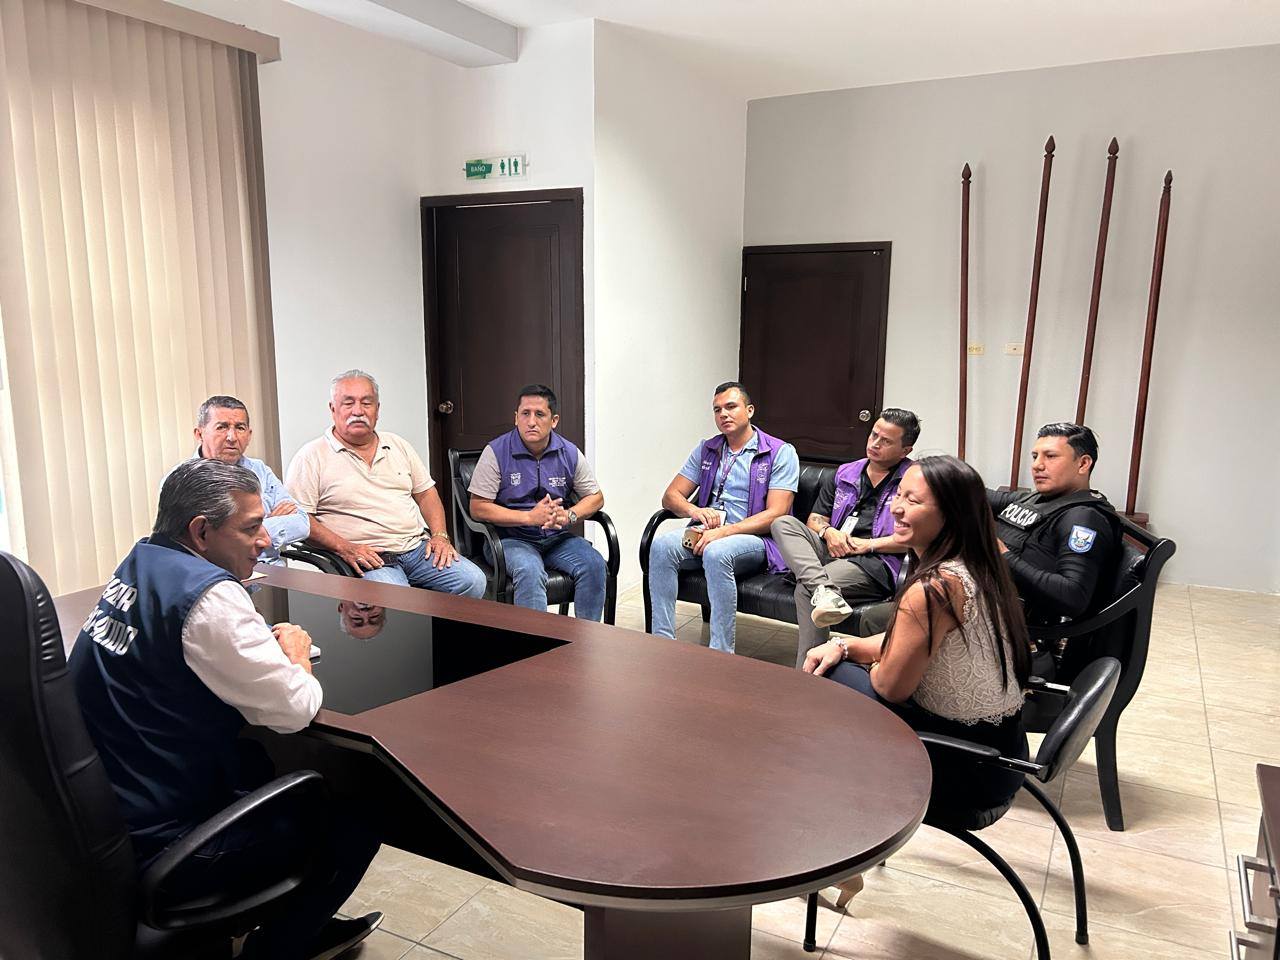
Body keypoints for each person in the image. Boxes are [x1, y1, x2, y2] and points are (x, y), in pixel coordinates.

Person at [68, 459, 382, 960]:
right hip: (165, 842)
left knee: (261, 762)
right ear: (201, 531)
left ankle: (280, 922)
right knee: (360, 812)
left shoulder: (141, 560)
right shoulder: (210, 597)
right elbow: (295, 710)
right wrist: (297, 655)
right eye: (251, 527)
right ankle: (277, 951)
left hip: (105, 814)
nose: (265, 541)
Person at [803, 455, 1032, 824]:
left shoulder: (934, 589)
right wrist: (845, 645)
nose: (896, 508)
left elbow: (891, 688)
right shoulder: (981, 565)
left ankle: (835, 813)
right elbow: (909, 641)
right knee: (834, 662)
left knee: (828, 680)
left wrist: (872, 662)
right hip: (1005, 750)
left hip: (967, 767)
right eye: (899, 495)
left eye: (913, 501)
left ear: (951, 514)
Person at [286, 370, 486, 598]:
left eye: (366, 403)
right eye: (348, 403)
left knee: (473, 581)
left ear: (377, 409)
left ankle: (437, 624)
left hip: (417, 549)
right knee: (397, 599)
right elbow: (300, 519)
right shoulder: (311, 456)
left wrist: (440, 535)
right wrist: (345, 548)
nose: (358, 411)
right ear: (333, 409)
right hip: (368, 556)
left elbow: (426, 494)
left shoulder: (398, 445)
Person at [648, 382, 799, 653]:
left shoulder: (779, 452)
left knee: (717, 552)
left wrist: (724, 532)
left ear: (749, 410)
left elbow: (776, 514)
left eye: (731, 407)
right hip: (707, 533)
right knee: (660, 547)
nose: (723, 414)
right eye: (717, 410)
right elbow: (670, 496)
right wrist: (695, 511)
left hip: (755, 539)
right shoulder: (708, 449)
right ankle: (662, 643)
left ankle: (720, 652)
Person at [772, 408, 919, 668]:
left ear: (905, 450)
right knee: (783, 523)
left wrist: (868, 545)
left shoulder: (914, 481)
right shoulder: (846, 473)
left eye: (886, 441)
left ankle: (809, 672)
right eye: (874, 435)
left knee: (805, 589)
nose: (875, 443)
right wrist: (828, 532)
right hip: (833, 547)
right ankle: (825, 590)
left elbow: (916, 537)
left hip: (875, 562)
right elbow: (815, 519)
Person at [987, 423, 1120, 673]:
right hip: (987, 616)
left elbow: (1072, 596)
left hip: (1014, 639)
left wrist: (1001, 555)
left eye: (1050, 456)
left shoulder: (1082, 518)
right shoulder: (1035, 499)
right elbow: (974, 495)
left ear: (1083, 464)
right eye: (1035, 456)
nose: (1037, 465)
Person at [468, 384, 607, 620]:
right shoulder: (496, 452)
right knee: (530, 570)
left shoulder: (569, 452)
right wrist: (528, 517)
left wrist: (569, 515)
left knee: (594, 564)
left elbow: (596, 497)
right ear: (516, 418)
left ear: (554, 420)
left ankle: (585, 639)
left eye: (540, 414)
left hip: (556, 538)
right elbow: (478, 507)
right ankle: (535, 641)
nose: (531, 422)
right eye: (525, 413)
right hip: (509, 540)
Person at [173, 394, 309, 564]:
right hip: (214, 572)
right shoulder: (180, 480)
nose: (232, 437)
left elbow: (302, 524)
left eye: (240, 428)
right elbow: (199, 543)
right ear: (199, 434)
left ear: (249, 435)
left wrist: (248, 529)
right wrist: (269, 524)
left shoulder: (260, 470)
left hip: (271, 571)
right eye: (222, 427)